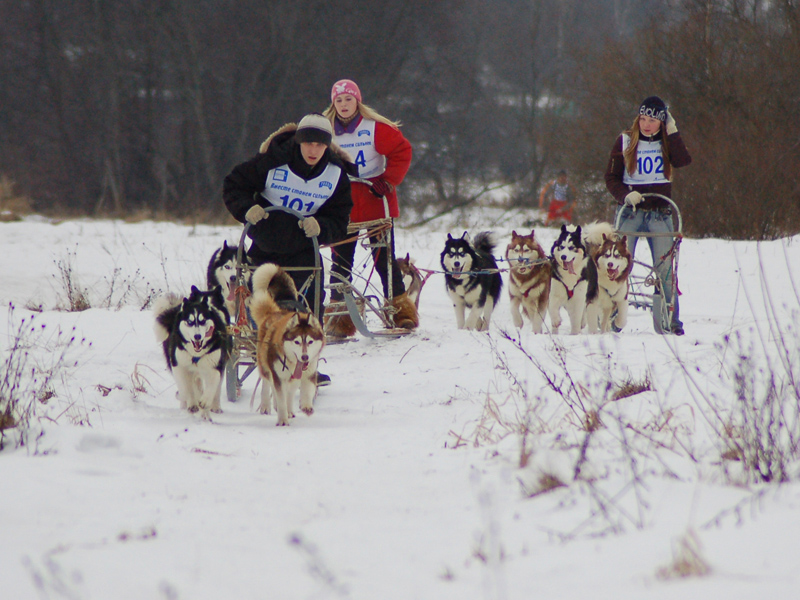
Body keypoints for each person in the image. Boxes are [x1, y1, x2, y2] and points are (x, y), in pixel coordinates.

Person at [223, 113, 356, 383]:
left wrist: (321, 226)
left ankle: (309, 369)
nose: (313, 149)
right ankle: (261, 352)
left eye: (319, 145)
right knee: (260, 308)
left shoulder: (335, 174)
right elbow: (233, 185)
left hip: (304, 252)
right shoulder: (272, 161)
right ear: (298, 142)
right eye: (307, 143)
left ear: (327, 146)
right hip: (265, 247)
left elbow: (341, 218)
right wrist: (248, 209)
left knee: (308, 312)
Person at [321, 79, 418, 336]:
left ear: (357, 101)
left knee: (383, 261)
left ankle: (401, 313)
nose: (343, 105)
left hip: (376, 202)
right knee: (341, 263)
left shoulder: (374, 128)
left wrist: (387, 181)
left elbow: (402, 151)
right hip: (341, 205)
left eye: (348, 99)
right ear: (333, 103)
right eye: (338, 100)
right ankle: (340, 320)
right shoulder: (325, 130)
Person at [604, 95, 692, 335]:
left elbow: (683, 161)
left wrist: (672, 131)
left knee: (664, 268)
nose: (646, 124)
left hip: (660, 213)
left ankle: (671, 319)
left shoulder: (666, 142)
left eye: (652, 120)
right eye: (643, 118)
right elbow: (610, 178)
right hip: (631, 213)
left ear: (661, 122)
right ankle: (610, 315)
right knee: (618, 265)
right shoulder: (625, 140)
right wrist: (625, 195)